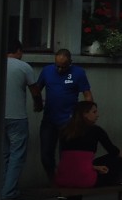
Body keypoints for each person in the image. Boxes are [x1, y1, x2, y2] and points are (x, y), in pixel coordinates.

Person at [36, 48, 92, 181]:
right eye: (57, 66)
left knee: (66, 155)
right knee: (45, 155)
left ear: (70, 63)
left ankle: (64, 181)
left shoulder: (78, 73)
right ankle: (53, 179)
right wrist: (38, 102)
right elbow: (36, 90)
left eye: (63, 67)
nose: (60, 70)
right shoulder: (47, 71)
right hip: (49, 119)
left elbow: (88, 96)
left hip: (69, 120)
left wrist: (85, 116)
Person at [2, 38, 36, 200]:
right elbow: (34, 91)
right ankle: (9, 191)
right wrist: (39, 104)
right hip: (17, 117)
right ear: (17, 50)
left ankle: (1, 188)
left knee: (3, 154)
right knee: (17, 154)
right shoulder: (24, 67)